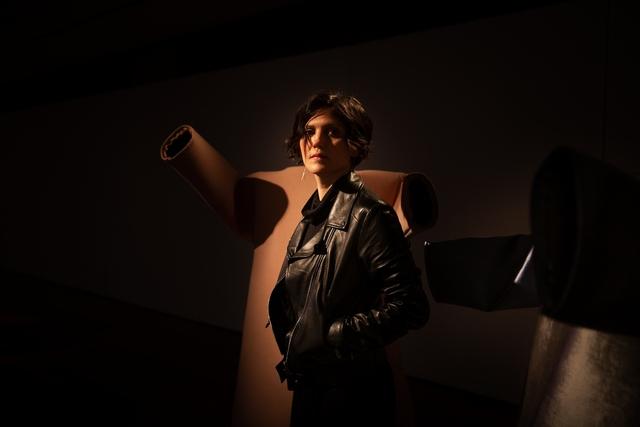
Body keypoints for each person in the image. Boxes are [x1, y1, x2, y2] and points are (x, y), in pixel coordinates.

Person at [267, 91, 430, 427]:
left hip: (352, 393)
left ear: (354, 145)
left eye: (332, 132)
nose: (316, 141)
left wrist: (337, 334)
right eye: (309, 131)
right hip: (311, 383)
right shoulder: (311, 218)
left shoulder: (370, 214)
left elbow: (411, 306)